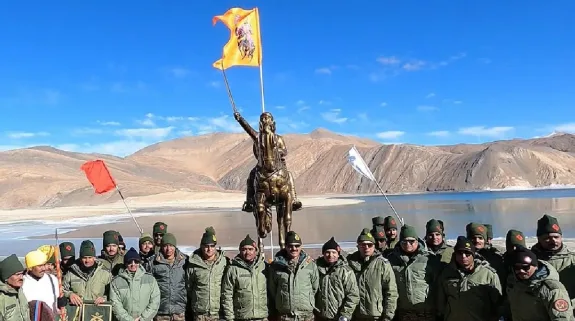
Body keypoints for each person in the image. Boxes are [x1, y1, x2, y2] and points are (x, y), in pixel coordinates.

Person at [234, 111, 302, 212]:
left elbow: (285, 151)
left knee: (289, 175)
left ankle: (294, 200)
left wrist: (276, 151)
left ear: (271, 121)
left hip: (277, 164)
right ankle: (249, 201)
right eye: (263, 118)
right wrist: (240, 119)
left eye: (267, 118)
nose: (265, 120)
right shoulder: (258, 137)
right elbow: (248, 129)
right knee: (252, 176)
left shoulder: (278, 138)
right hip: (262, 164)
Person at [436, 236, 502, 321]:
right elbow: (441, 303)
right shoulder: (447, 274)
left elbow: (497, 306)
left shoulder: (488, 275)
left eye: (467, 253)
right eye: (460, 253)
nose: (463, 256)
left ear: (473, 255)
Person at [506, 246, 574, 321]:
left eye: (525, 267)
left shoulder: (552, 289)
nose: (521, 271)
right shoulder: (515, 284)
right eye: (517, 268)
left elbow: (562, 318)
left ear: (536, 266)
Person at [387, 225, 437, 321]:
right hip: (403, 311)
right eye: (404, 241)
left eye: (411, 241)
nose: (408, 244)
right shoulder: (391, 259)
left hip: (426, 311)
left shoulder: (429, 259)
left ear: (417, 241)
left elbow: (438, 285)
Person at [347, 228, 398, 321]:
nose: (366, 248)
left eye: (369, 245)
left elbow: (391, 292)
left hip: (376, 316)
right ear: (358, 246)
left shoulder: (383, 264)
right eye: (363, 245)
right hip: (355, 315)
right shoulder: (349, 262)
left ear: (374, 246)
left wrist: (388, 316)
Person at [267, 231, 319, 321]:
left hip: (306, 316)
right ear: (286, 247)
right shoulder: (276, 266)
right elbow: (273, 290)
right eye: (290, 246)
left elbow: (314, 287)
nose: (294, 248)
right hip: (285, 316)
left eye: (297, 246)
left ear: (301, 246)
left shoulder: (310, 265)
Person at [186, 227, 229, 321]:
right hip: (200, 314)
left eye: (212, 246)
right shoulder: (193, 263)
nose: (209, 249)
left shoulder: (224, 262)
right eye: (206, 246)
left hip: (218, 314)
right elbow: (189, 287)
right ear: (201, 246)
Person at [221, 235, 268, 321]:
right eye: (244, 249)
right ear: (240, 251)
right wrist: (230, 318)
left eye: (250, 249)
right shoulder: (233, 269)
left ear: (256, 251)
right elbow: (227, 295)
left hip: (262, 317)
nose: (247, 252)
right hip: (242, 317)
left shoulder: (264, 267)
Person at [531, 214, 575, 303]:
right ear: (539, 239)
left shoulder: (572, 261)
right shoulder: (530, 262)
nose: (553, 241)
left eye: (556, 237)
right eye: (547, 238)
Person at [109, 248, 161, 321]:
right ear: (126, 263)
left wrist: (143, 318)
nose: (133, 264)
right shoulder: (117, 282)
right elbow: (116, 304)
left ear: (139, 262)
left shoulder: (150, 280)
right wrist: (128, 319)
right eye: (130, 262)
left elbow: (155, 302)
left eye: (136, 261)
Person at [315, 237, 359, 321]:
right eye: (327, 252)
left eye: (333, 252)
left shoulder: (346, 271)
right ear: (323, 254)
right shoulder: (316, 268)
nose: (330, 255)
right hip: (320, 316)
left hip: (338, 317)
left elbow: (353, 295)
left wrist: (345, 315)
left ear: (338, 254)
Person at [151, 233, 188, 321]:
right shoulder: (153, 262)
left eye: (171, 246)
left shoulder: (185, 261)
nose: (168, 249)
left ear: (175, 246)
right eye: (165, 246)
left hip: (179, 311)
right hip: (161, 312)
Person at [62, 240, 112, 306]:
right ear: (80, 258)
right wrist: (70, 294)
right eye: (84, 258)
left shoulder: (105, 274)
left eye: (90, 257)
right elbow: (62, 290)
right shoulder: (71, 273)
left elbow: (113, 293)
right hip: (77, 312)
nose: (87, 261)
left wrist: (104, 298)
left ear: (94, 258)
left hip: (97, 312)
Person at [22, 250, 64, 315]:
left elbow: (56, 305)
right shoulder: (22, 283)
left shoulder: (52, 279)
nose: (44, 268)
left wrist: (60, 306)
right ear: (30, 268)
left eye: (44, 265)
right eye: (40, 266)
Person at [0, 254, 30, 321]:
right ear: (6, 278)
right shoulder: (1, 298)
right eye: (17, 275)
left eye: (22, 274)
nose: (21, 277)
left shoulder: (20, 291)